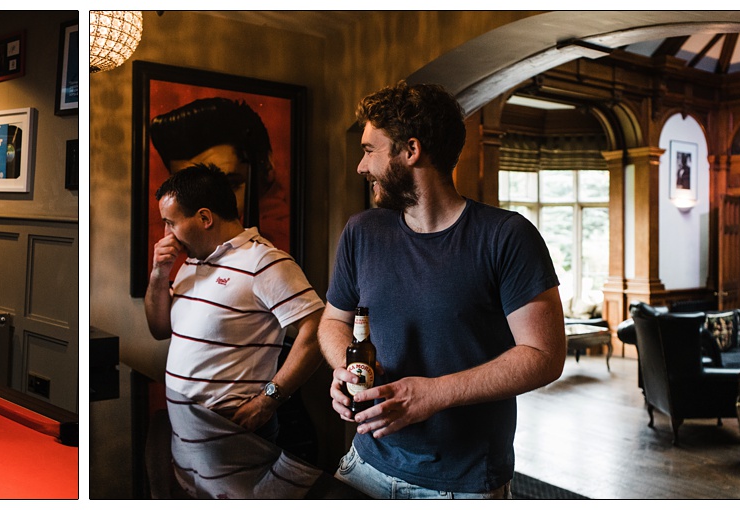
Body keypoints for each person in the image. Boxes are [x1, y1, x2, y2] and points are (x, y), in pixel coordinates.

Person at [318, 81, 565, 499]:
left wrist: (434, 393)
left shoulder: (506, 237)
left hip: (464, 485)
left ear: (410, 150)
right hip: (366, 465)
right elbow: (332, 320)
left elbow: (545, 356)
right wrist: (347, 369)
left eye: (368, 150)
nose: (361, 167)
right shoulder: (362, 231)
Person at [144, 163, 324, 439]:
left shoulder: (264, 261)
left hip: (234, 429)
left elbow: (316, 331)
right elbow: (159, 331)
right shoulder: (190, 261)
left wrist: (268, 400)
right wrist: (159, 273)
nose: (167, 234)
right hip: (184, 425)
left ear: (205, 218)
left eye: (171, 222)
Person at [148, 97, 291, 249]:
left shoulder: (276, 250)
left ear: (267, 165)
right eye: (189, 192)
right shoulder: (180, 253)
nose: (207, 213)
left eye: (230, 185)